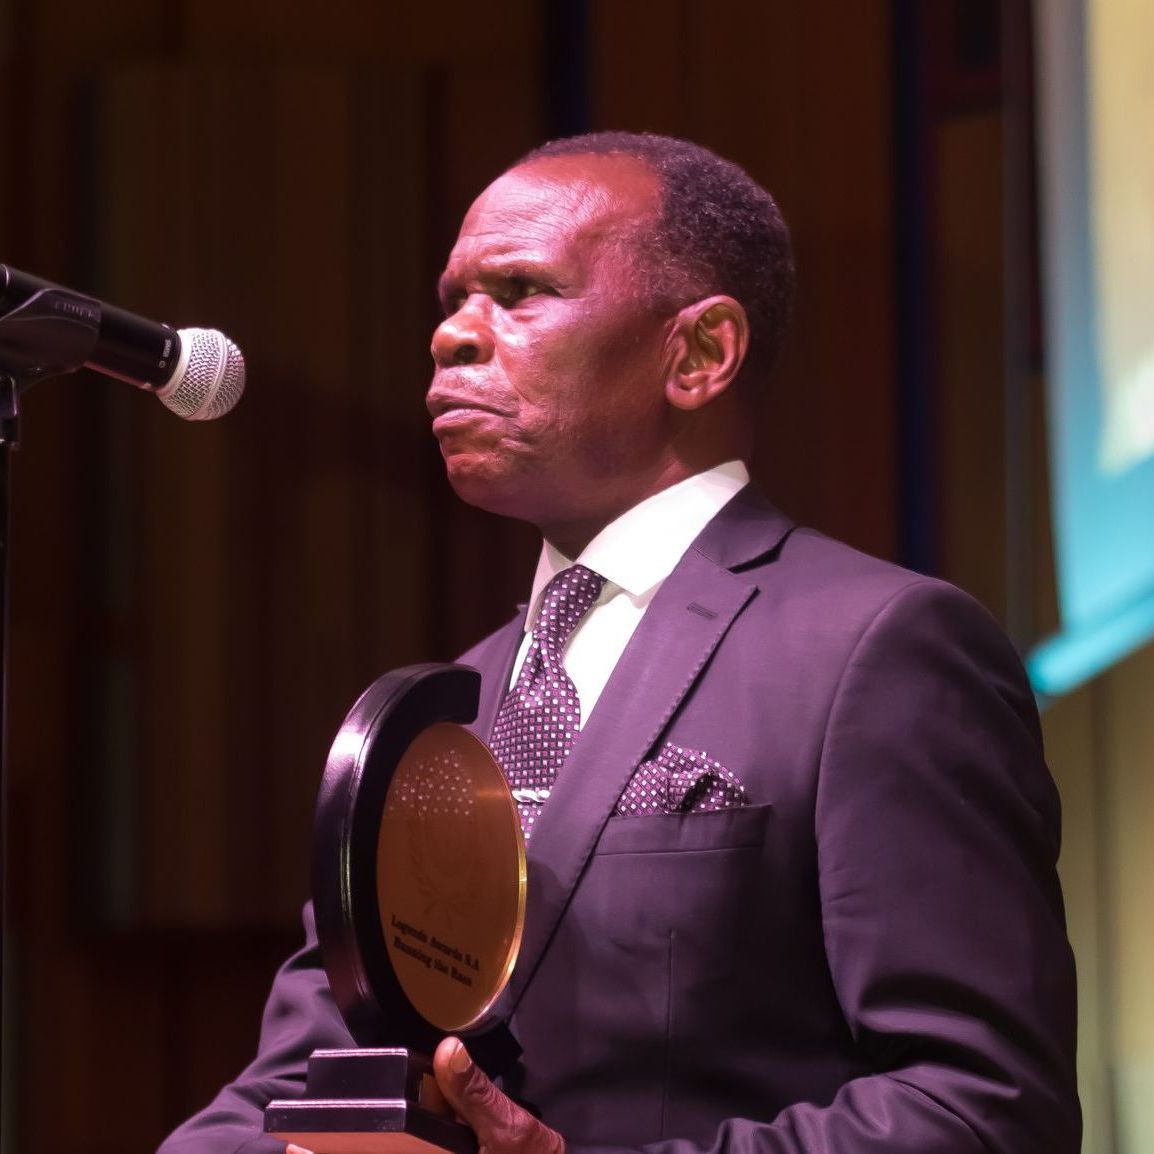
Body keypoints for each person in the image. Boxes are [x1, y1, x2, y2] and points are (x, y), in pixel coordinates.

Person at [158, 132, 1080, 1154]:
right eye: (452, 297)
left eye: (517, 291)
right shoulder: (447, 700)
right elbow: (301, 1084)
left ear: (696, 354)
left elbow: (981, 1105)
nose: (451, 335)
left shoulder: (879, 647)